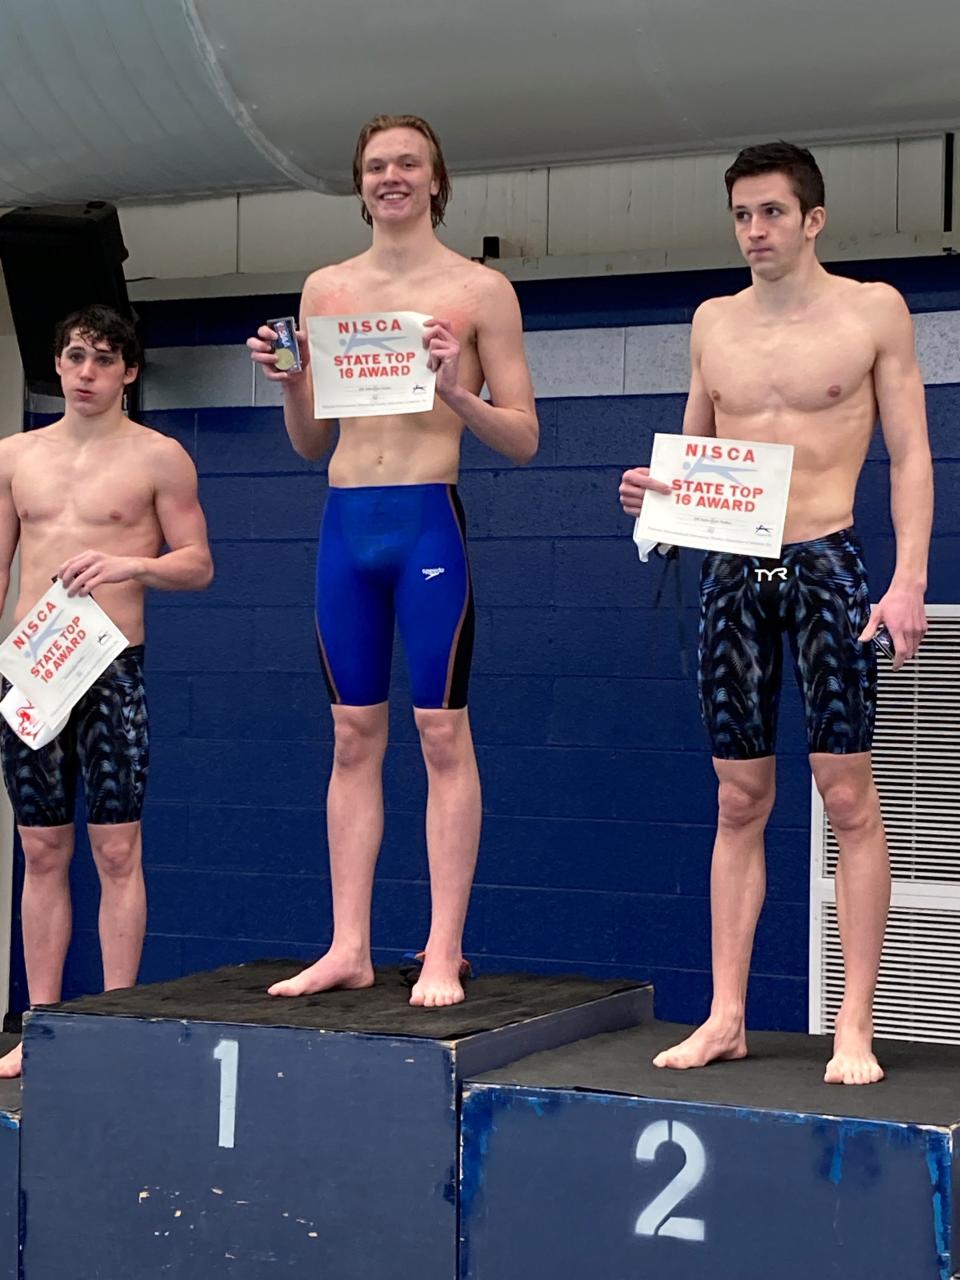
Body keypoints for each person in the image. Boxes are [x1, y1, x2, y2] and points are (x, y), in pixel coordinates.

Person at [620, 141, 932, 1085]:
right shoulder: (712, 321)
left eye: (770, 213)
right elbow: (694, 446)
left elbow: (912, 456)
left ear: (812, 219)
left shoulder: (873, 310)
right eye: (741, 215)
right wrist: (656, 499)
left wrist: (907, 579)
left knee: (846, 794)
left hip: (829, 560)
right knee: (737, 797)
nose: (754, 231)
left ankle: (854, 1023)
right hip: (733, 573)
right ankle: (726, 1014)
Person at [247, 114, 538, 1008]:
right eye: (376, 165)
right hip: (346, 523)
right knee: (350, 735)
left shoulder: (480, 290)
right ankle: (348, 944)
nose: (391, 176)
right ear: (359, 183)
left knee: (441, 733)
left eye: (408, 162)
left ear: (437, 179)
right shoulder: (326, 288)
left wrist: (455, 391)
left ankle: (442, 949)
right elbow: (307, 443)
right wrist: (294, 385)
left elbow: (524, 437)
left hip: (425, 522)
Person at [0, 304, 213, 1077]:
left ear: (128, 370)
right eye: (75, 356)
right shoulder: (14, 454)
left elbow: (198, 563)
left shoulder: (160, 457)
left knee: (117, 847)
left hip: (110, 665)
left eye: (103, 358)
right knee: (40, 848)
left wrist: (135, 566)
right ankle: (43, 1027)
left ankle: (118, 1019)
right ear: (56, 365)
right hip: (31, 668)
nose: (86, 371)